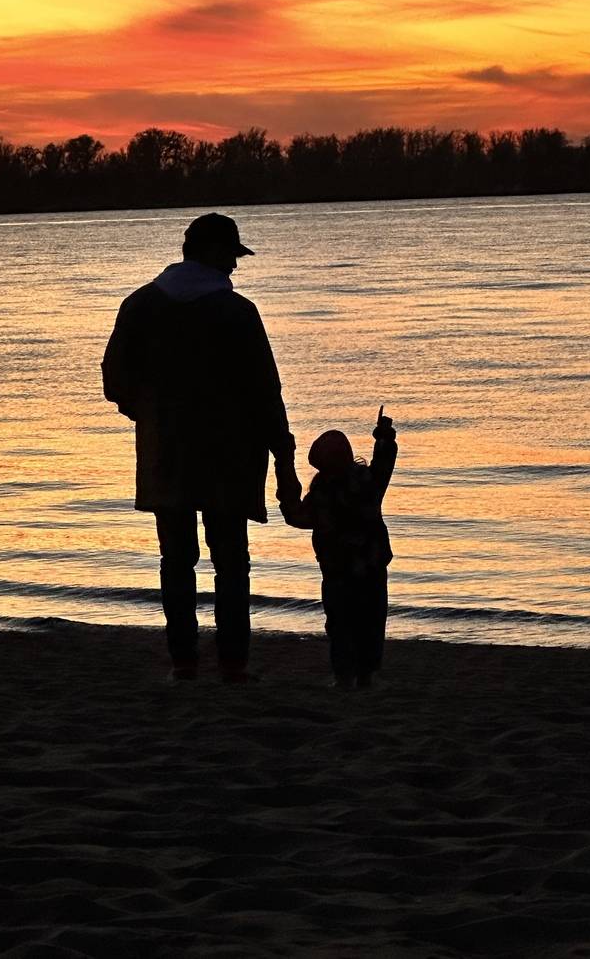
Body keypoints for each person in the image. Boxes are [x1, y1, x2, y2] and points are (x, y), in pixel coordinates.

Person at [101, 212, 300, 683]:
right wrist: (284, 459)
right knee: (231, 562)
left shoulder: (140, 305)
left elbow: (114, 380)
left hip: (165, 454)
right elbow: (265, 392)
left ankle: (184, 662)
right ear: (212, 253)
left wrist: (148, 414)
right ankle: (232, 664)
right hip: (230, 456)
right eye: (231, 255)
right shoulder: (237, 312)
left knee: (176, 560)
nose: (235, 265)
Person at [285, 409, 398, 690]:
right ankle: (365, 674)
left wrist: (286, 487)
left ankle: (344, 675)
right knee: (370, 622)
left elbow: (297, 517)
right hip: (369, 567)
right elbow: (385, 462)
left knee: (340, 624)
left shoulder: (321, 495)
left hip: (338, 571)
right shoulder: (367, 483)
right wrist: (384, 437)